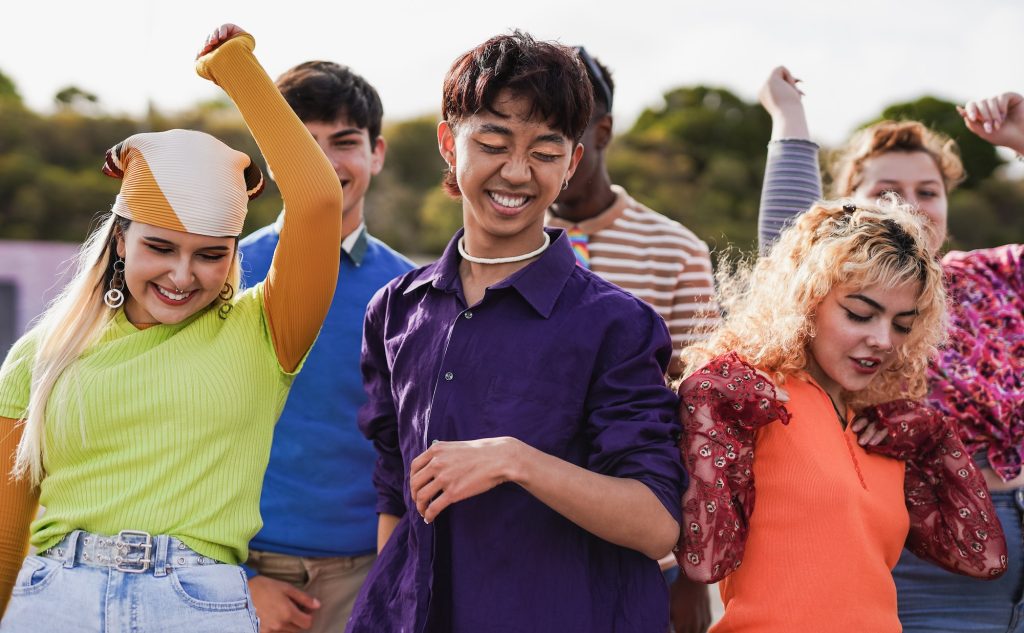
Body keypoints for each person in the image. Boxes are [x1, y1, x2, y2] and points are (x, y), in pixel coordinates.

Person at [0, 23, 342, 632]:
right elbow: (4, 534)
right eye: (161, 247)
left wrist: (234, 69)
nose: (183, 276)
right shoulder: (40, 355)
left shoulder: (265, 331)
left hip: (194, 607)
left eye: (211, 254)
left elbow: (316, 198)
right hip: (51, 603)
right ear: (120, 240)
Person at [347, 31, 685, 633]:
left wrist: (513, 461)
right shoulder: (395, 310)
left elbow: (657, 520)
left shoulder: (618, 324)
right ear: (450, 143)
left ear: (573, 161)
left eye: (546, 152)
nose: (517, 172)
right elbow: (396, 493)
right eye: (494, 143)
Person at [757, 68, 1024, 632]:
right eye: (886, 193)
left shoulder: (990, 277)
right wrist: (790, 120)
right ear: (845, 205)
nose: (911, 206)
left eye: (927, 192)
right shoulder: (833, 302)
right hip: (928, 545)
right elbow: (788, 239)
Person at [676, 197, 1007, 632]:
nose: (883, 340)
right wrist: (708, 407)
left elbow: (981, 556)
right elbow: (707, 561)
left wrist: (938, 440)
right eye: (860, 314)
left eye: (903, 324)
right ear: (806, 298)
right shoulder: (753, 400)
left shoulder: (886, 428)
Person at [238, 60, 413, 633]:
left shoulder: (411, 292)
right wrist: (238, 579)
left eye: (344, 142)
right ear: (273, 154)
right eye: (303, 143)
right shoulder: (224, 272)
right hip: (236, 568)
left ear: (377, 154)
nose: (324, 162)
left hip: (365, 575)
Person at [546, 48, 719, 378]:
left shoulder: (680, 250)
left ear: (603, 132)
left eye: (563, 131)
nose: (547, 152)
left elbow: (698, 389)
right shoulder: (505, 243)